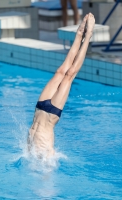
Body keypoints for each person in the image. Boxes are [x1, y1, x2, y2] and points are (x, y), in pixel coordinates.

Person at [28, 13, 95, 158]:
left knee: (60, 72)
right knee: (69, 75)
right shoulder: (45, 159)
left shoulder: (42, 159)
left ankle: (79, 34)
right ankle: (88, 35)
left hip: (39, 109)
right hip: (51, 114)